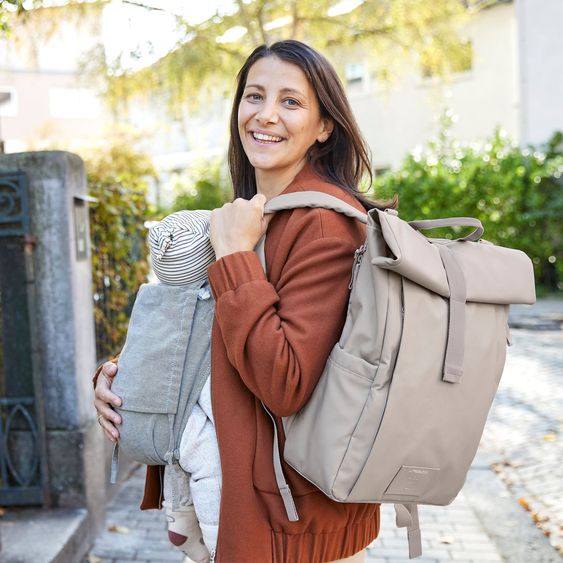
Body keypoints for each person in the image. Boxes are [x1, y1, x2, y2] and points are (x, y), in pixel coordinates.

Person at [94, 39, 396, 562]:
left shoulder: (323, 226)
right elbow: (212, 334)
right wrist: (118, 376)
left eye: (291, 102)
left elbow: (285, 383)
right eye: (254, 96)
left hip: (292, 528)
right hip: (253, 510)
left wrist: (234, 255)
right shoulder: (254, 214)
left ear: (325, 126)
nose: (265, 115)